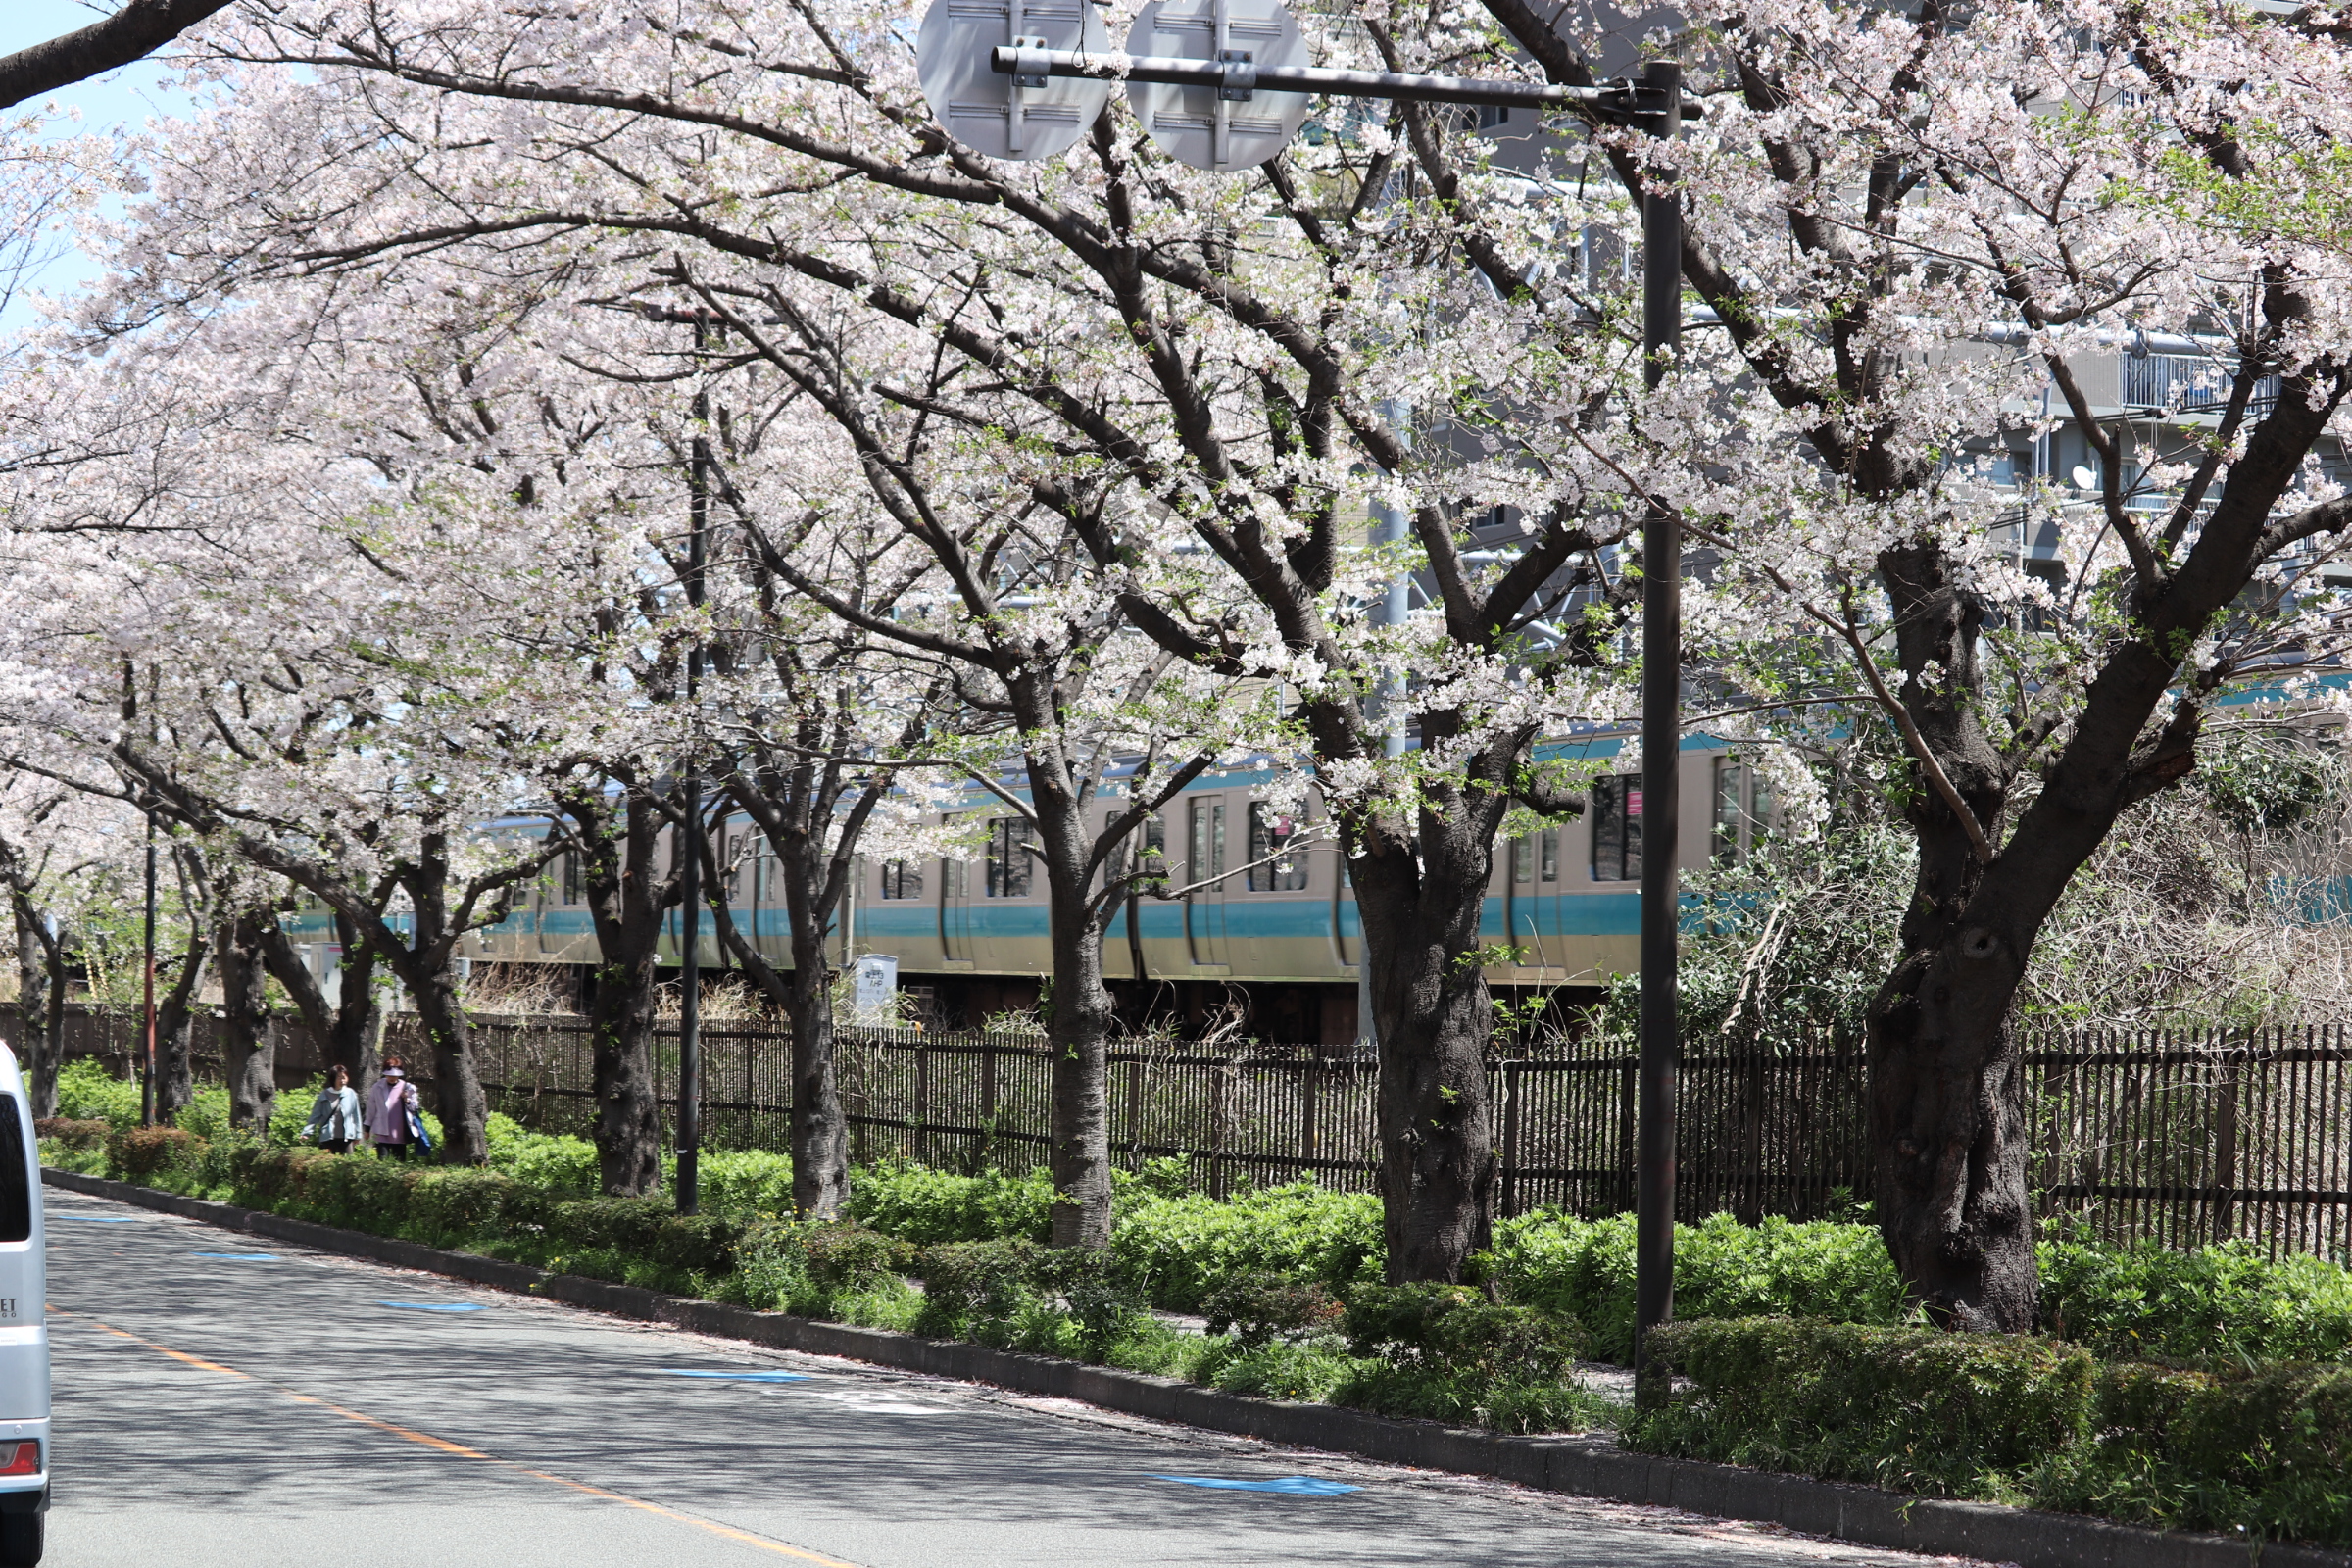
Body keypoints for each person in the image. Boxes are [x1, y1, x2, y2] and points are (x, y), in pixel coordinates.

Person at [299, 1065, 365, 1154]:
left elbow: (356, 1115)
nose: (342, 1081)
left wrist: (358, 1134)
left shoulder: (351, 1094)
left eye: (344, 1077)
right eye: (339, 1078)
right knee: (327, 1164)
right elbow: (315, 1115)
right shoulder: (324, 1095)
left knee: (347, 1164)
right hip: (328, 1136)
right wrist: (306, 1132)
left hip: (346, 1136)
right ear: (333, 1079)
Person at [366, 1059, 419, 1160]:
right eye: (389, 1075)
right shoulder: (377, 1087)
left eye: (395, 1075)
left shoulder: (408, 1088)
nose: (392, 1077)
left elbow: (414, 1108)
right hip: (381, 1131)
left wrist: (406, 1099)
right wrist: (367, 1129)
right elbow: (371, 1109)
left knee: (399, 1163)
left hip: (400, 1132)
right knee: (382, 1162)